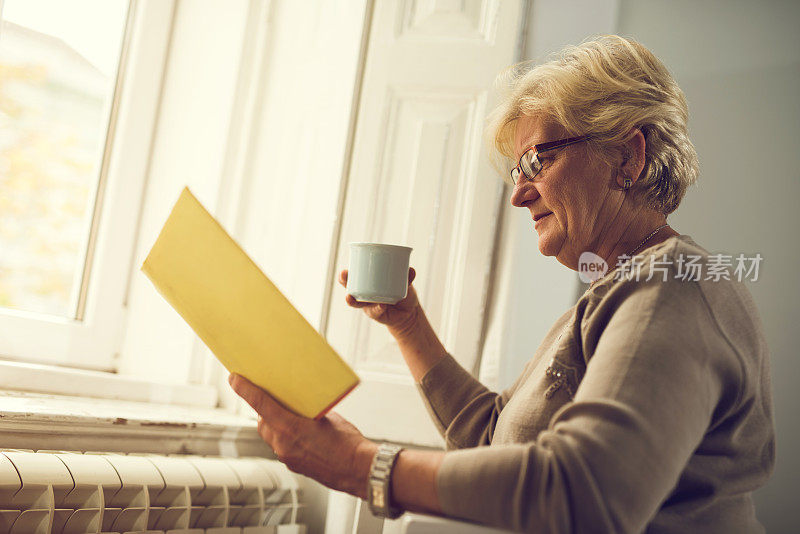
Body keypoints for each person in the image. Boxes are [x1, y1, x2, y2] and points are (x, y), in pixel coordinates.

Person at [229, 35, 775, 533]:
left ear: (627, 158)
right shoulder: (615, 293)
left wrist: (359, 467)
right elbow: (494, 440)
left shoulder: (671, 288)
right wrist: (409, 325)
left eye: (539, 160)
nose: (519, 194)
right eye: (518, 171)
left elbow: (584, 493)